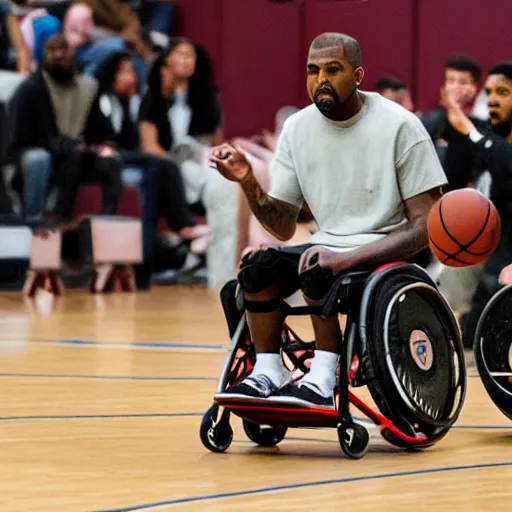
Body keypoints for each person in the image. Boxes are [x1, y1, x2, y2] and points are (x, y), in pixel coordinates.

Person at [210, 32, 447, 408]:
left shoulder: (401, 126)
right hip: (328, 244)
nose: (320, 79)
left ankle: (323, 374)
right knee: (257, 269)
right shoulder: (298, 128)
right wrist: (248, 182)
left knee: (317, 266)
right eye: (312, 70)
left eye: (332, 70)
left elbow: (425, 228)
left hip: (387, 250)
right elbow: (284, 225)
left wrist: (348, 259)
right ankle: (270, 369)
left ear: (357, 76)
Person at [440, 61, 512, 347]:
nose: (493, 99)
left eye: (503, 92)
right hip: (487, 255)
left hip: (504, 265)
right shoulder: (488, 137)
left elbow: (505, 162)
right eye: (490, 92)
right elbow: (454, 180)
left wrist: (467, 127)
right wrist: (460, 121)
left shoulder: (490, 144)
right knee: (470, 335)